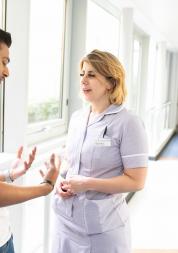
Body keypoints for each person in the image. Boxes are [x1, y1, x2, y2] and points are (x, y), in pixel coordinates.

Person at [51, 49, 148, 253]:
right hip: (65, 223)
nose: (83, 80)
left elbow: (136, 181)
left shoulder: (128, 122)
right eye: (82, 74)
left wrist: (86, 184)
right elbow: (70, 165)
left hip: (103, 229)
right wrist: (61, 183)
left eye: (92, 74)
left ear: (111, 82)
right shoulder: (77, 118)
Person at [0, 28, 60, 252]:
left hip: (4, 235)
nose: (7, 72)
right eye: (4, 61)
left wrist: (8, 175)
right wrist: (45, 187)